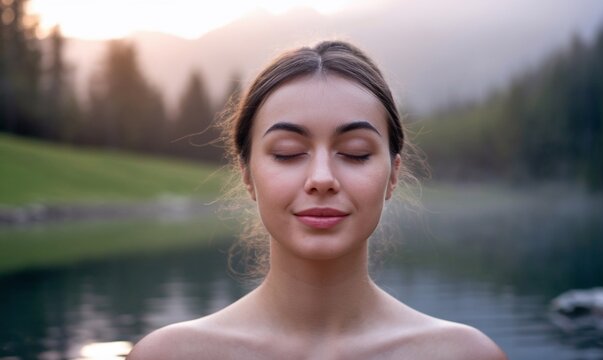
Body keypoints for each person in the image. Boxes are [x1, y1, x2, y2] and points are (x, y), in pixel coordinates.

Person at [128, 40, 506, 360]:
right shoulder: (171, 354)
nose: (322, 179)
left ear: (392, 175)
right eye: (289, 152)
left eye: (356, 153)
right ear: (247, 174)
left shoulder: (464, 354)